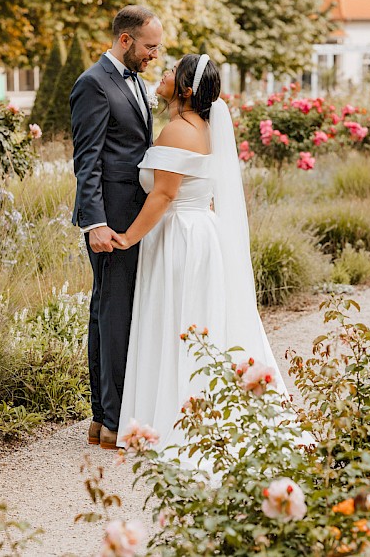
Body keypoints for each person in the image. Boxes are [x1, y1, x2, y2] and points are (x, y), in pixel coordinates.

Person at [111, 54, 288, 457]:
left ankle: (176, 417)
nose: (164, 73)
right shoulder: (203, 127)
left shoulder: (178, 130)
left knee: (177, 320)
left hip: (179, 236)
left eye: (172, 71)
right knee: (194, 320)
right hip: (198, 232)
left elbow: (164, 193)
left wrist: (128, 237)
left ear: (186, 89)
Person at [70, 5, 163, 450]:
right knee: (113, 312)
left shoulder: (138, 84)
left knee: (108, 310)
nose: (155, 54)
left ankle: (102, 416)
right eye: (149, 46)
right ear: (125, 40)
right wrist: (96, 223)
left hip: (132, 215)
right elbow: (86, 161)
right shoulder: (93, 83)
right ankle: (111, 420)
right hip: (111, 221)